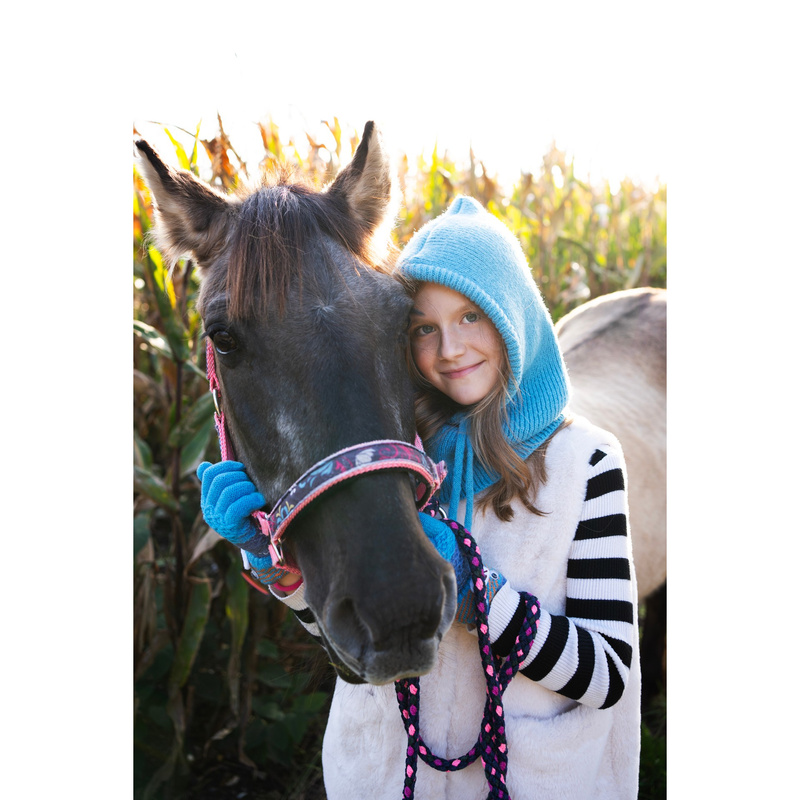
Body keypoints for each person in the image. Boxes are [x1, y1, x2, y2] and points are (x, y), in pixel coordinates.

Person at [198, 195, 641, 799]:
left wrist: (475, 590)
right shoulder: (394, 453)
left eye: (470, 317)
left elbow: (609, 673)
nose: (450, 349)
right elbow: (346, 631)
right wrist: (277, 563)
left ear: (511, 313)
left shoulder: (585, 462)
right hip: (390, 780)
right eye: (424, 329)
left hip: (527, 780)